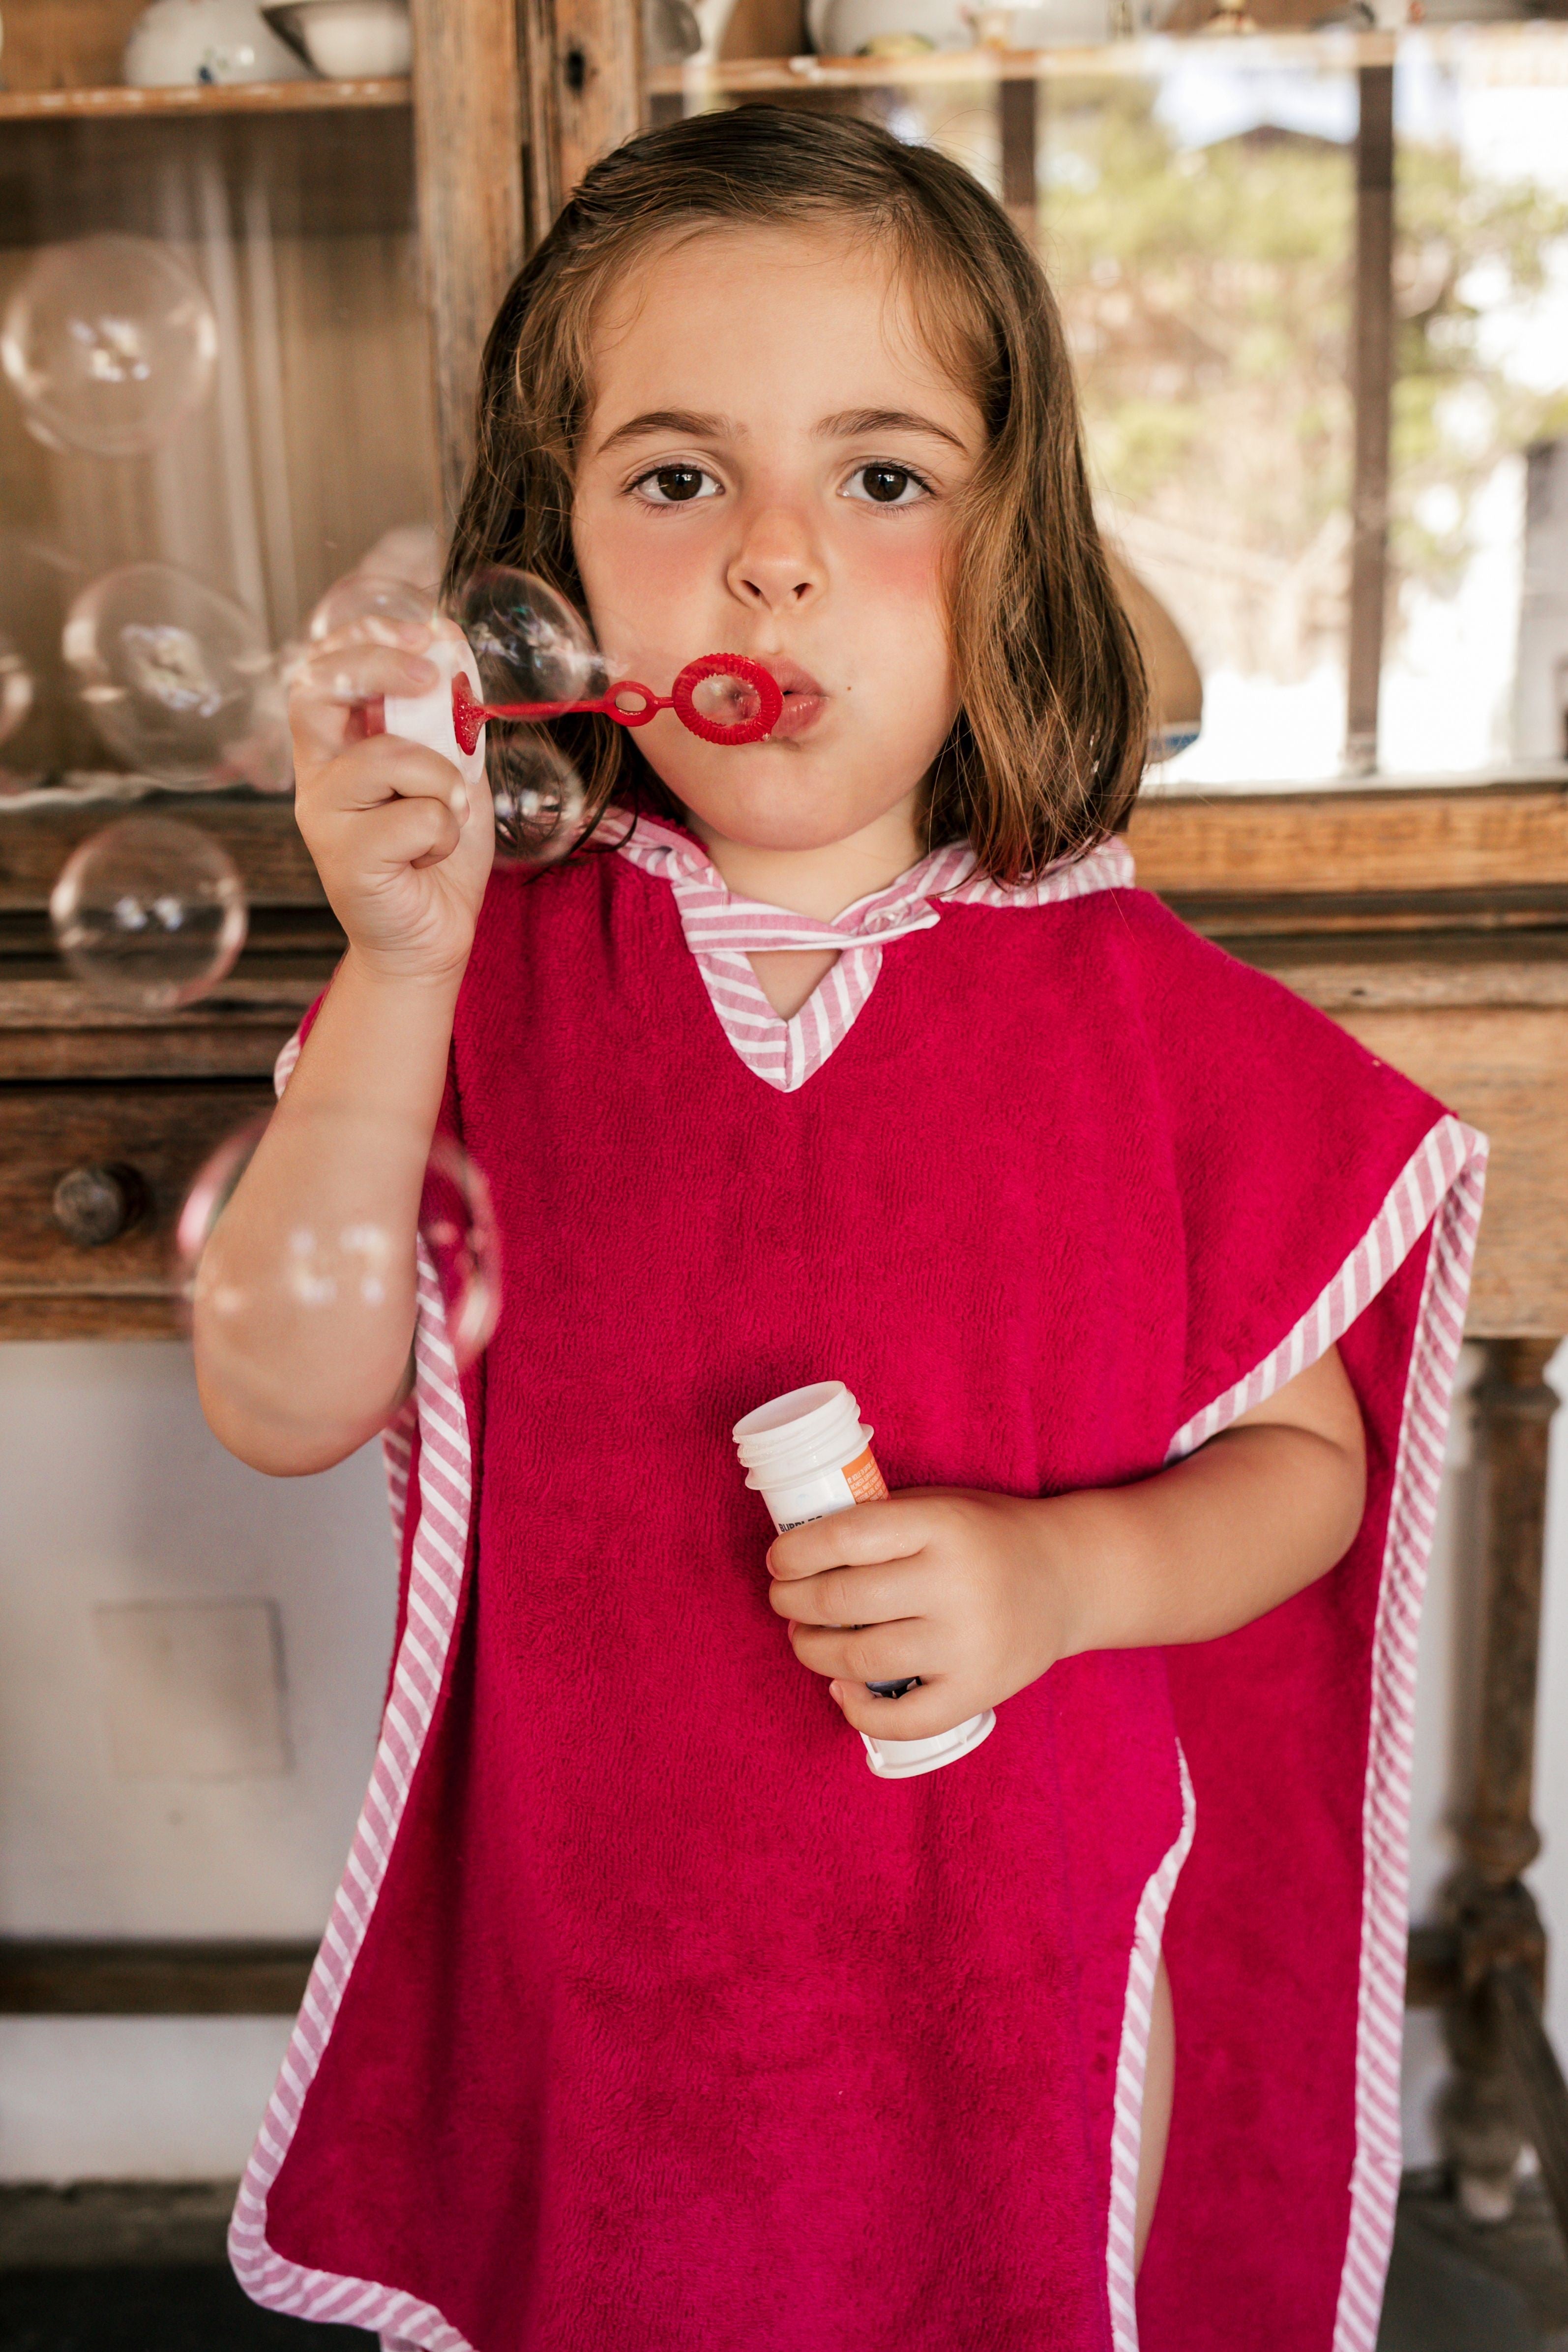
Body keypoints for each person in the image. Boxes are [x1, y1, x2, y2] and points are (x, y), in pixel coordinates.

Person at [201, 106, 1485, 2352]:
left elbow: (1308, 1475)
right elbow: (282, 1393)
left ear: (1018, 554)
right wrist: (399, 967)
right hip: (607, 1997)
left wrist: (1060, 1573)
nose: (771, 560)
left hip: (1035, 1973)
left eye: (883, 476)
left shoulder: (1142, 1023)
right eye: (678, 476)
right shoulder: (472, 972)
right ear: (554, 576)